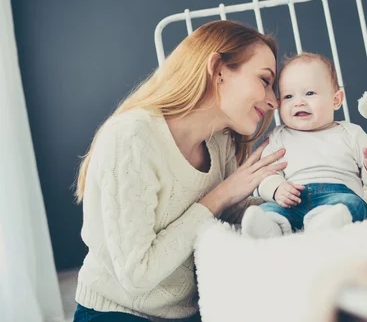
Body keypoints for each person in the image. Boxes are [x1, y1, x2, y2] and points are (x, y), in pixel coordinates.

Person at [73, 20, 286, 321]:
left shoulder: (220, 140)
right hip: (119, 311)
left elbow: (230, 214)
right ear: (218, 69)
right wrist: (221, 194)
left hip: (193, 311)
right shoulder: (132, 137)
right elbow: (137, 274)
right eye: (265, 80)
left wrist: (300, 199)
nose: (274, 101)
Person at [241, 53, 367, 239]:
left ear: (336, 100)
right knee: (266, 208)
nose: (299, 102)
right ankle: (272, 226)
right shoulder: (279, 136)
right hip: (292, 199)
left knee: (354, 204)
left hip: (338, 195)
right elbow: (266, 175)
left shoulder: (351, 133)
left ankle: (326, 222)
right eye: (288, 96)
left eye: (309, 93)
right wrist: (277, 189)